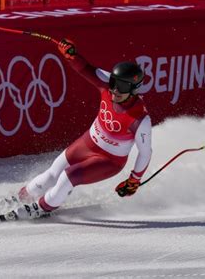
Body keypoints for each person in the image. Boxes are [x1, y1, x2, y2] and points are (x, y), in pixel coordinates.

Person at [11, 39, 153, 220]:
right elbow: (85, 68)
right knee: (51, 175)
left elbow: (145, 152)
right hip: (88, 143)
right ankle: (20, 197)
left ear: (134, 89)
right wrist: (71, 56)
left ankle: (41, 207)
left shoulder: (140, 119)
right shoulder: (108, 85)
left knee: (69, 176)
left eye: (123, 86)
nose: (115, 90)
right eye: (114, 83)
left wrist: (134, 179)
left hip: (109, 160)